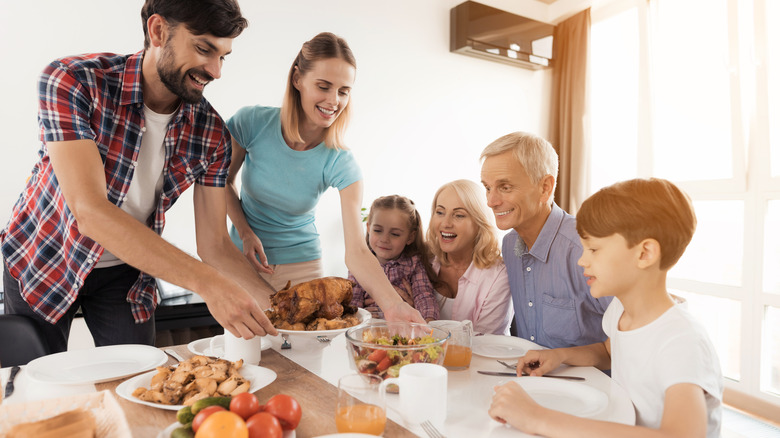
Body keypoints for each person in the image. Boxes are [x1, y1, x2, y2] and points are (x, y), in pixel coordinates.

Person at [0, 0, 278, 354]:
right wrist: (208, 283)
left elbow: (216, 246)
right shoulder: (73, 81)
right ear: (158, 31)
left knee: (141, 382)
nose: (216, 70)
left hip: (127, 273)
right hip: (46, 255)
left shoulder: (212, 134)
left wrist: (288, 310)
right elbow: (89, 211)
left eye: (223, 56)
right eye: (204, 49)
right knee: (39, 391)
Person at [489, 178, 723, 437]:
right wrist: (560, 356)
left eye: (594, 249)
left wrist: (538, 418)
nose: (581, 260)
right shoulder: (620, 311)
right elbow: (609, 351)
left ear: (645, 253)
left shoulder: (681, 340)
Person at [225, 32, 423, 323]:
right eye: (324, 86)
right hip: (242, 260)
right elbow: (221, 182)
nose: (334, 100)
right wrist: (244, 232)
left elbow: (356, 250)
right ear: (297, 80)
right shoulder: (251, 123)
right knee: (249, 354)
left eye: (344, 91)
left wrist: (393, 304)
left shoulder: (341, 162)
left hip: (303, 269)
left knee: (304, 359)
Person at [480, 132, 610, 348]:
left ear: (545, 188)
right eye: (487, 187)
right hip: (530, 379)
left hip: (590, 381)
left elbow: (635, 336)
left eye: (505, 187)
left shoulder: (585, 247)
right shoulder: (510, 244)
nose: (491, 201)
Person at [427, 180, 512, 335]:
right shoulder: (425, 262)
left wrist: (425, 329)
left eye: (458, 215)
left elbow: (483, 341)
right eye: (440, 212)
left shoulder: (499, 275)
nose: (445, 223)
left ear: (479, 223)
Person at [348, 195, 438, 321]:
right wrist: (362, 315)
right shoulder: (359, 264)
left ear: (410, 237)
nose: (384, 239)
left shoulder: (413, 264)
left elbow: (424, 295)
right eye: (378, 230)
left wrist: (428, 321)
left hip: (404, 331)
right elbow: (353, 301)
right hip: (369, 332)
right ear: (368, 228)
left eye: (395, 234)